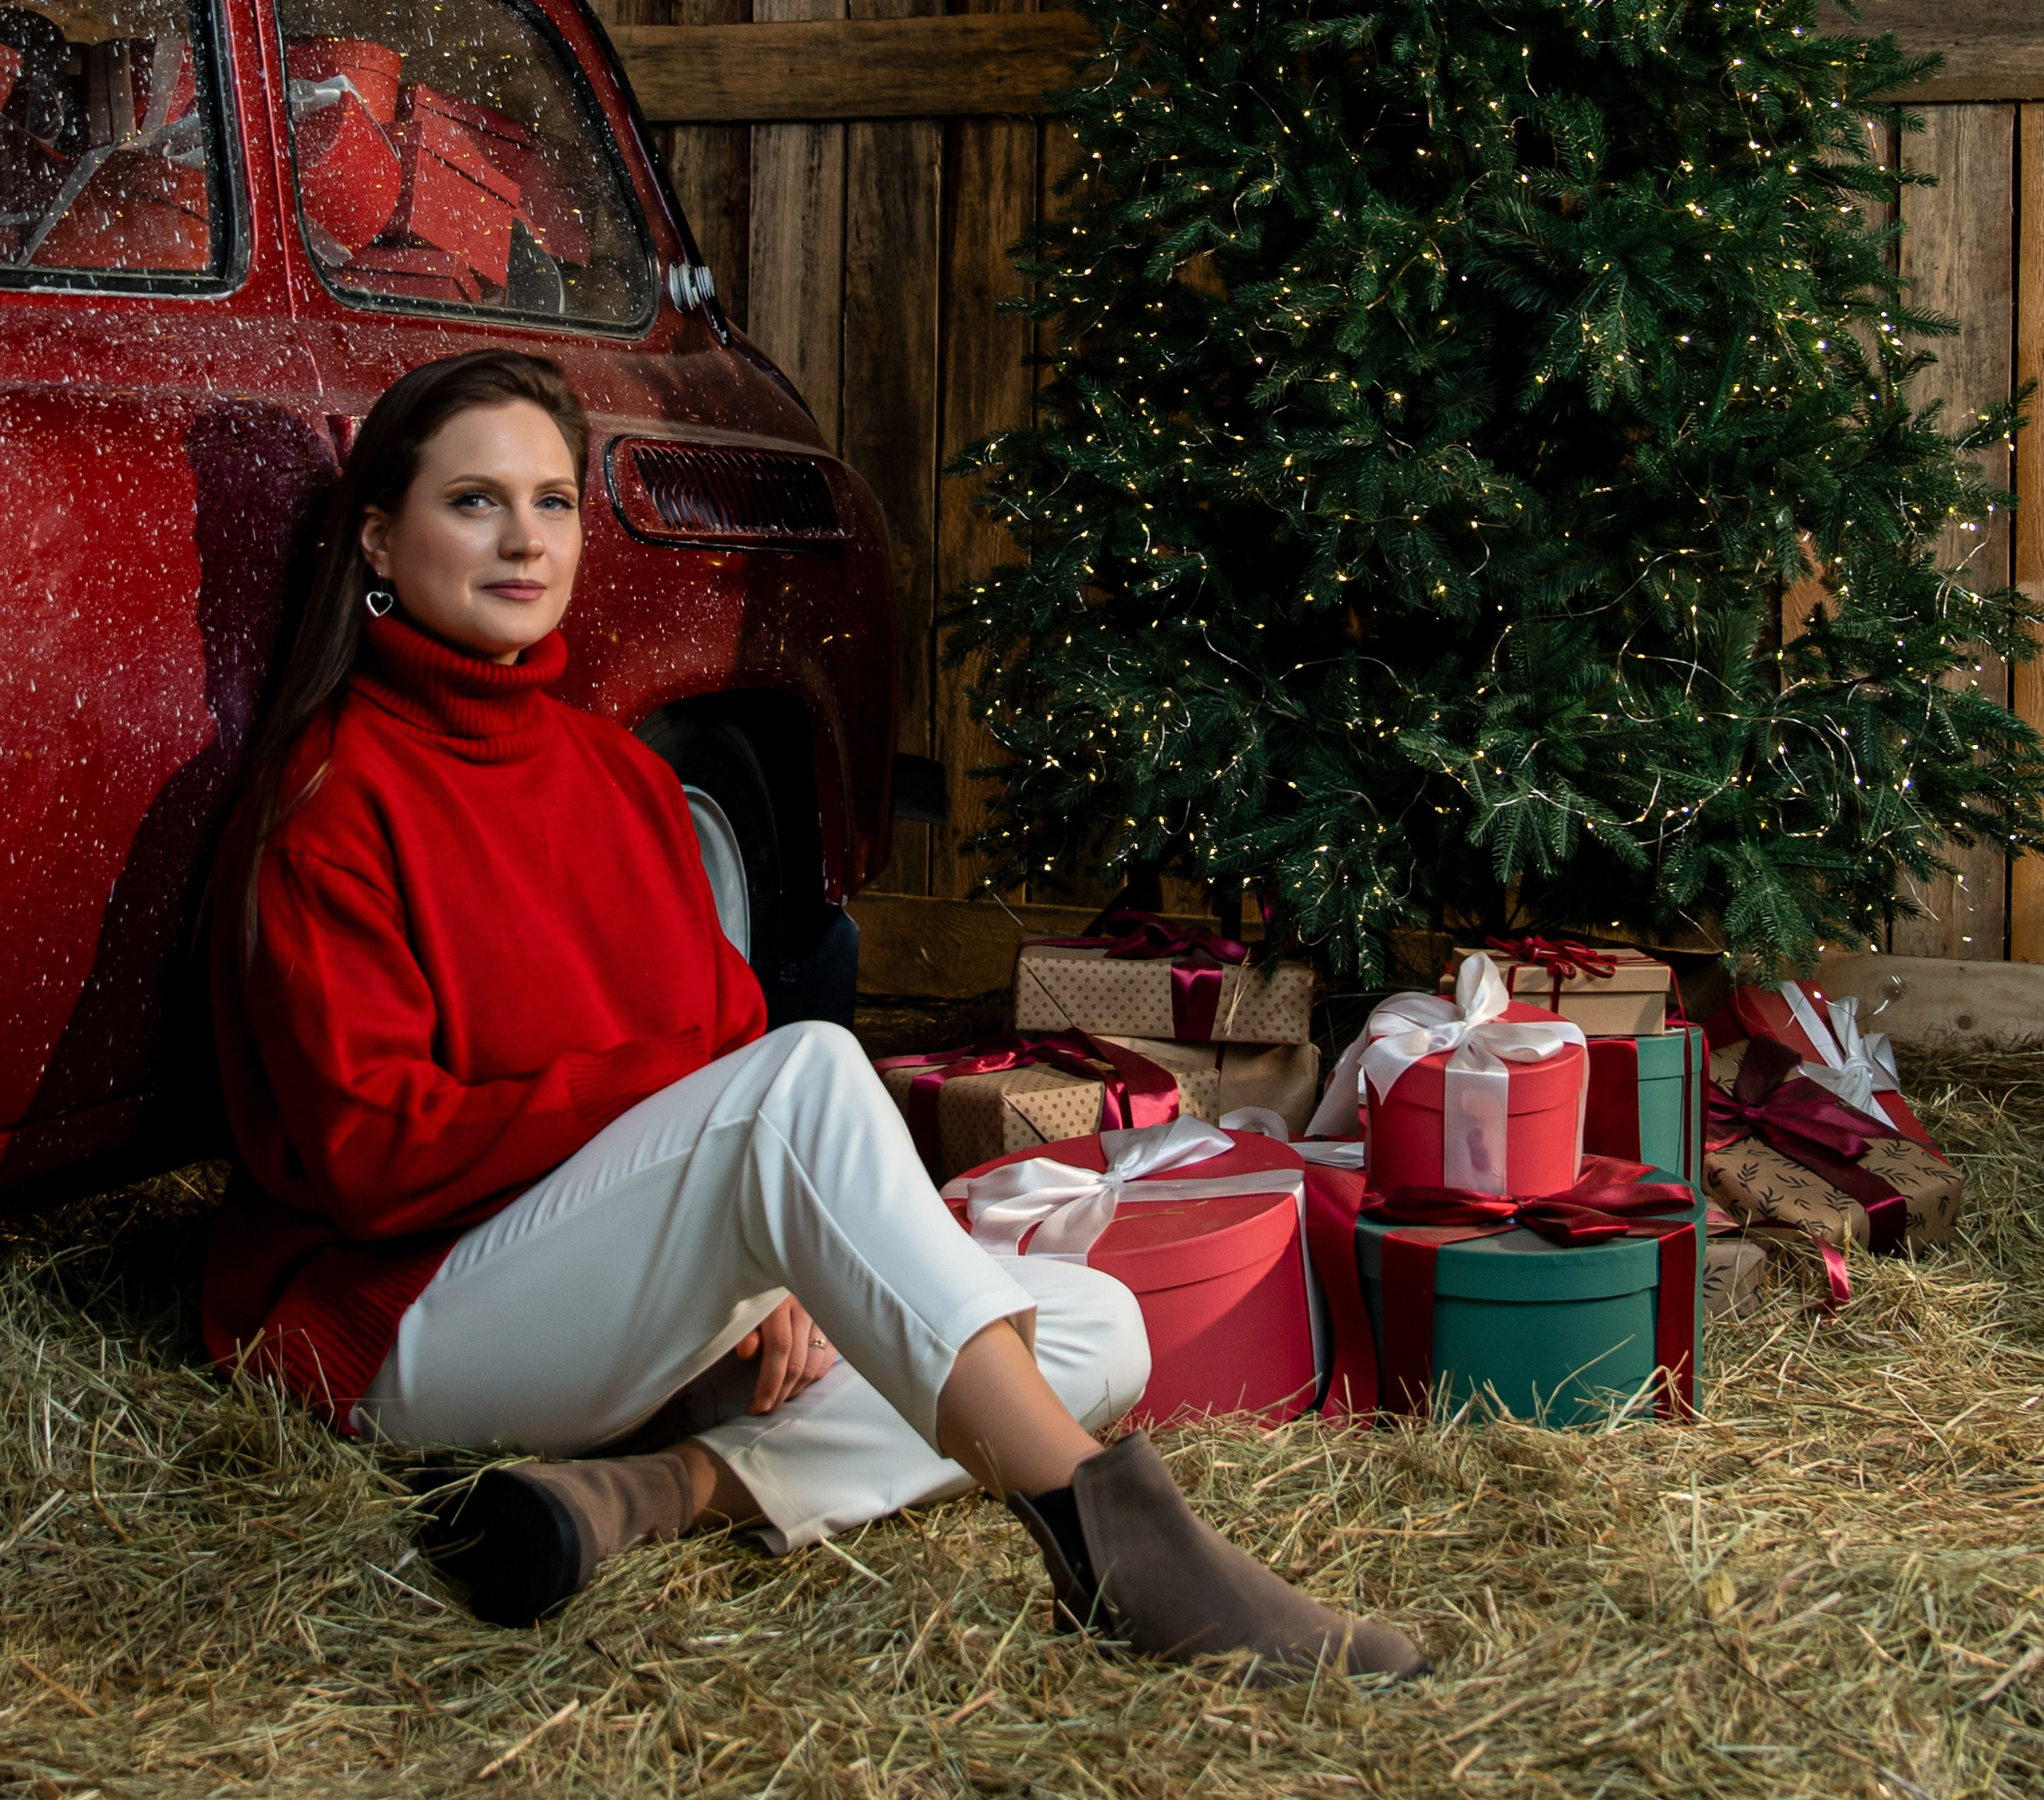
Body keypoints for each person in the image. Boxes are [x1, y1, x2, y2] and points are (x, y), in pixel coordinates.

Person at [205, 349, 1426, 1676]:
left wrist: (773, 1262)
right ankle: (1106, 1536)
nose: (524, 540)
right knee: (805, 1078)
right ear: (382, 535)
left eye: (553, 503)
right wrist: (716, 1157)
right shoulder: (334, 801)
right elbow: (380, 1158)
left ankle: (651, 1493)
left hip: (634, 1310)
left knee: (1093, 1329)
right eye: (475, 503)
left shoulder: (614, 778)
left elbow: (713, 1055)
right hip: (422, 1322)